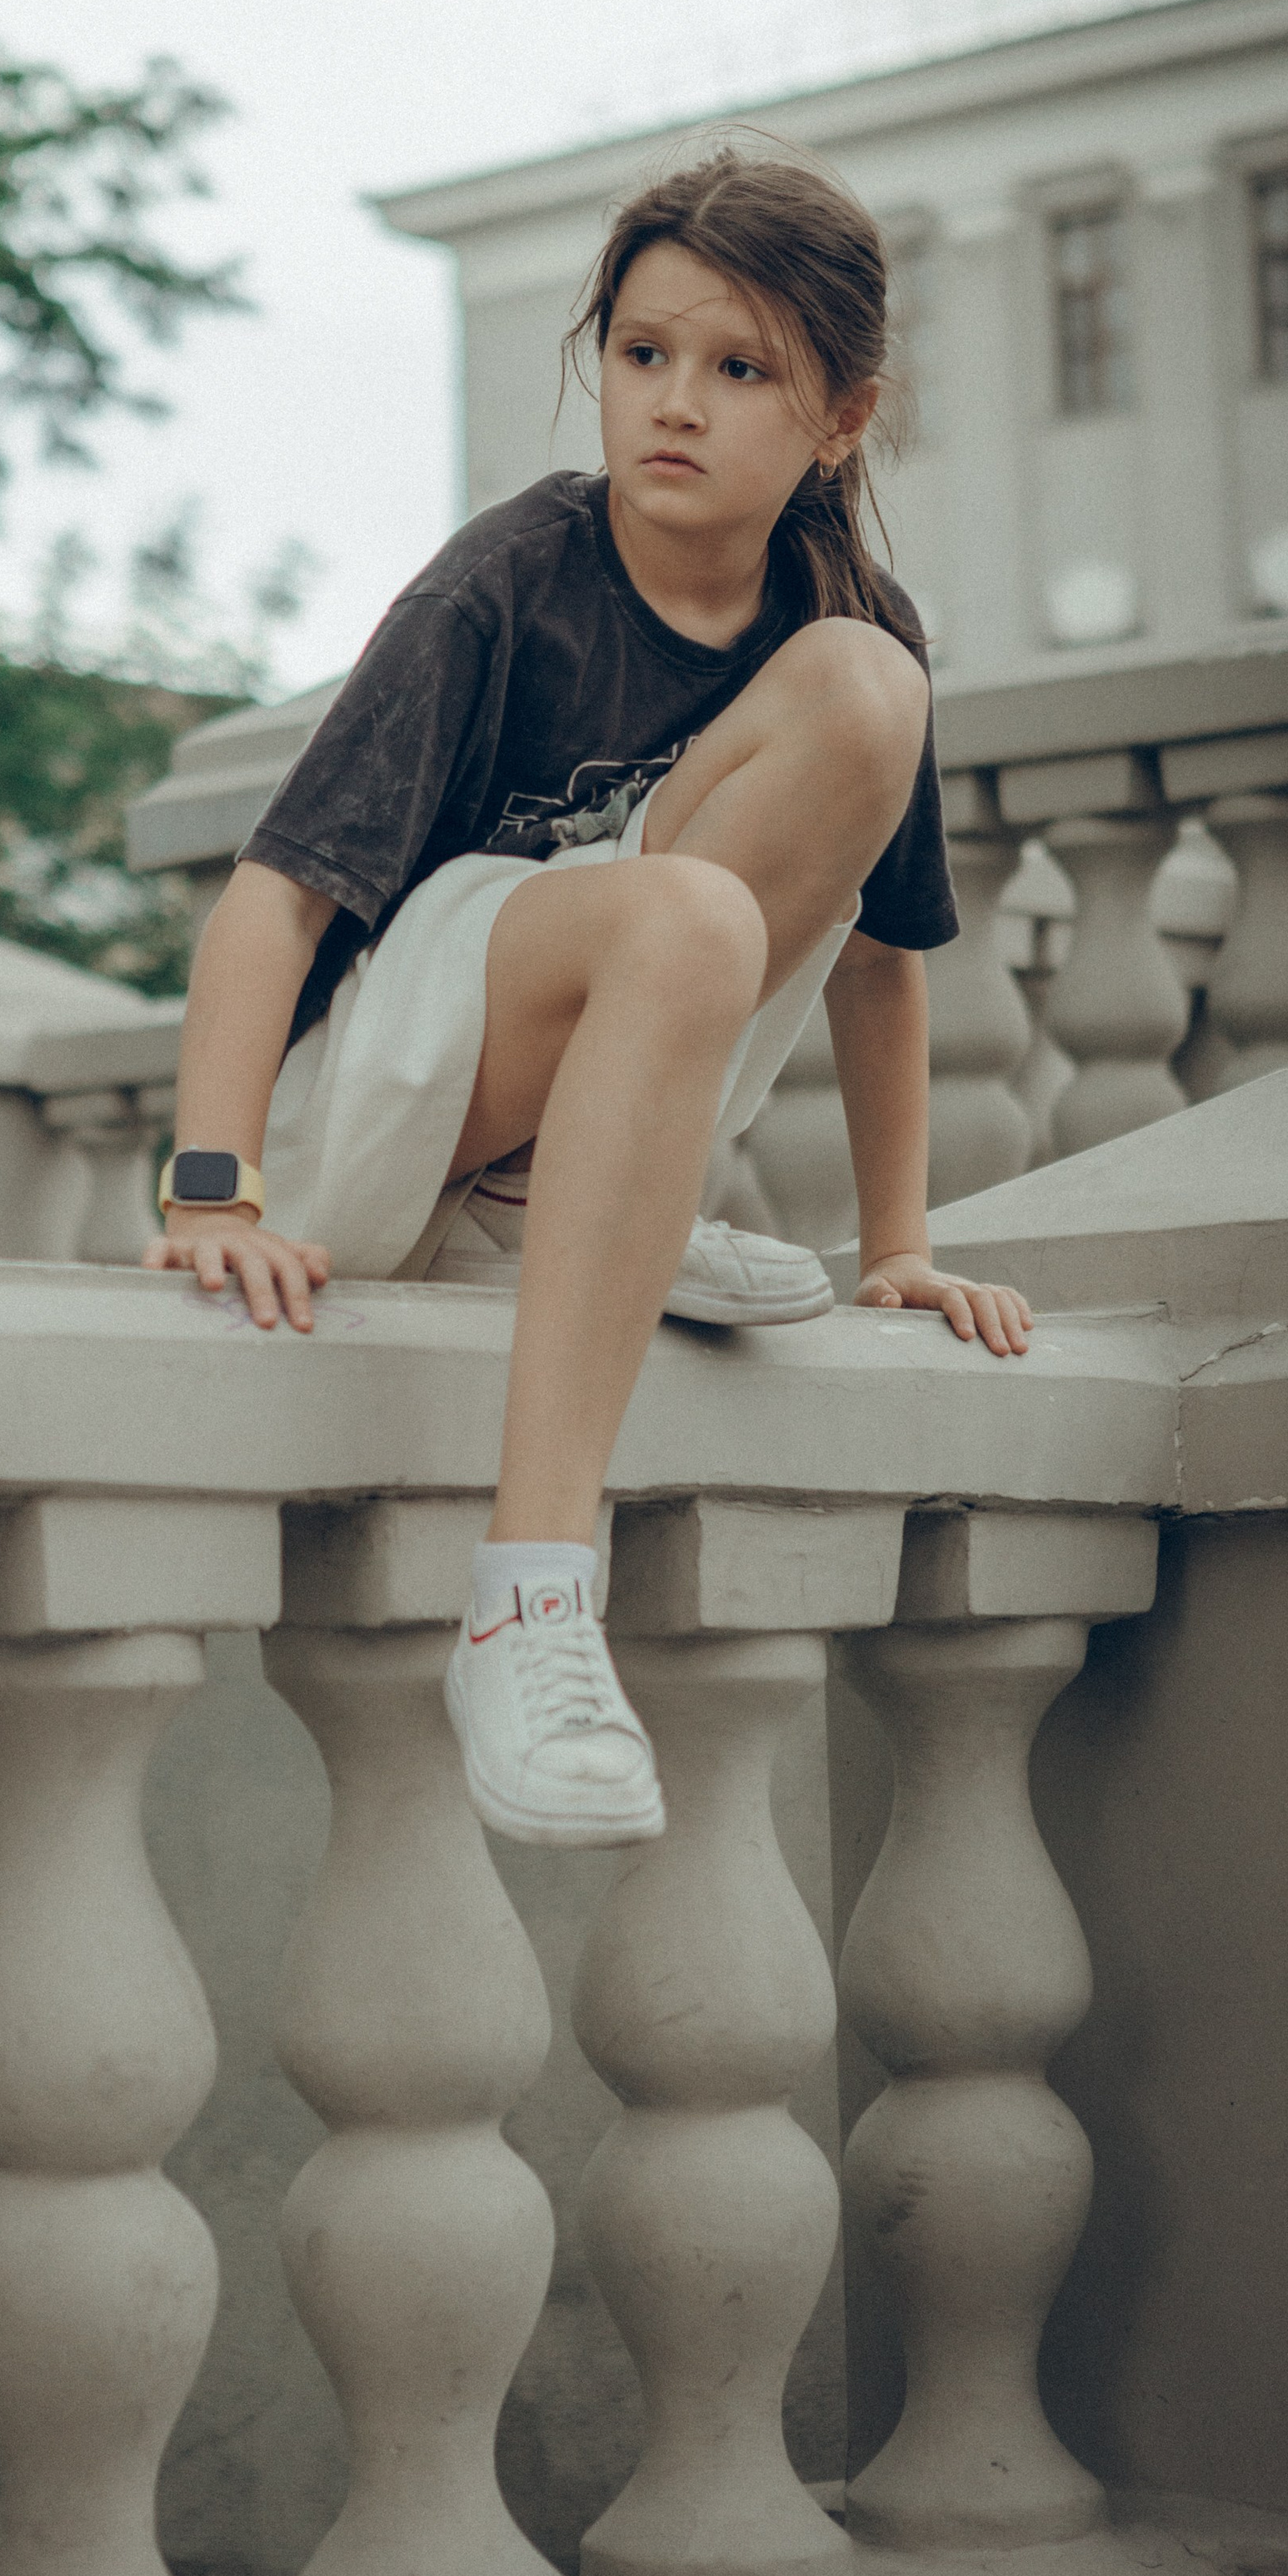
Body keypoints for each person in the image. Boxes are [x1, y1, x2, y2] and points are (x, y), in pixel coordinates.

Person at [145, 145, 1032, 1848]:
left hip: (613, 1036)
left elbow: (875, 962)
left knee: (856, 695)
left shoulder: (847, 615)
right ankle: (532, 1596)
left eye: (736, 367)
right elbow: (278, 896)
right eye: (639, 356)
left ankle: (579, 1197)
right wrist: (211, 1184)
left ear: (837, 418)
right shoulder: (514, 576)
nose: (672, 405)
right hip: (389, 1097)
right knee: (682, 916)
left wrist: (899, 1242)